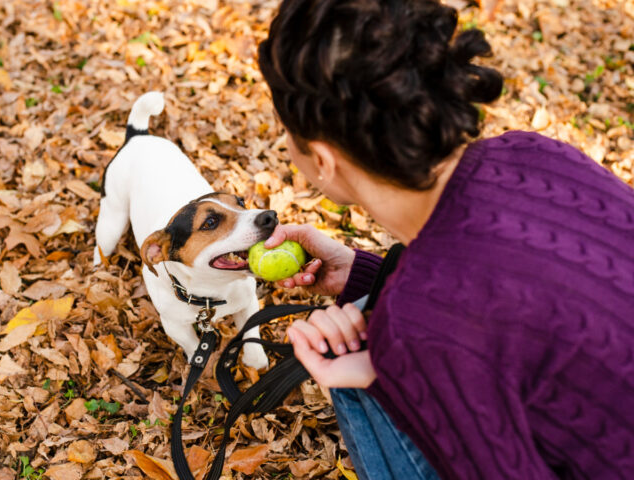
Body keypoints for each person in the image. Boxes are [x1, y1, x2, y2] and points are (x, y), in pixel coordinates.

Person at [256, 0, 634, 478]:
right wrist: (366, 277)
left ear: (323, 160)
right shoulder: (533, 153)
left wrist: (390, 376)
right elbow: (518, 294)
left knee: (355, 375)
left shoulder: (415, 327)